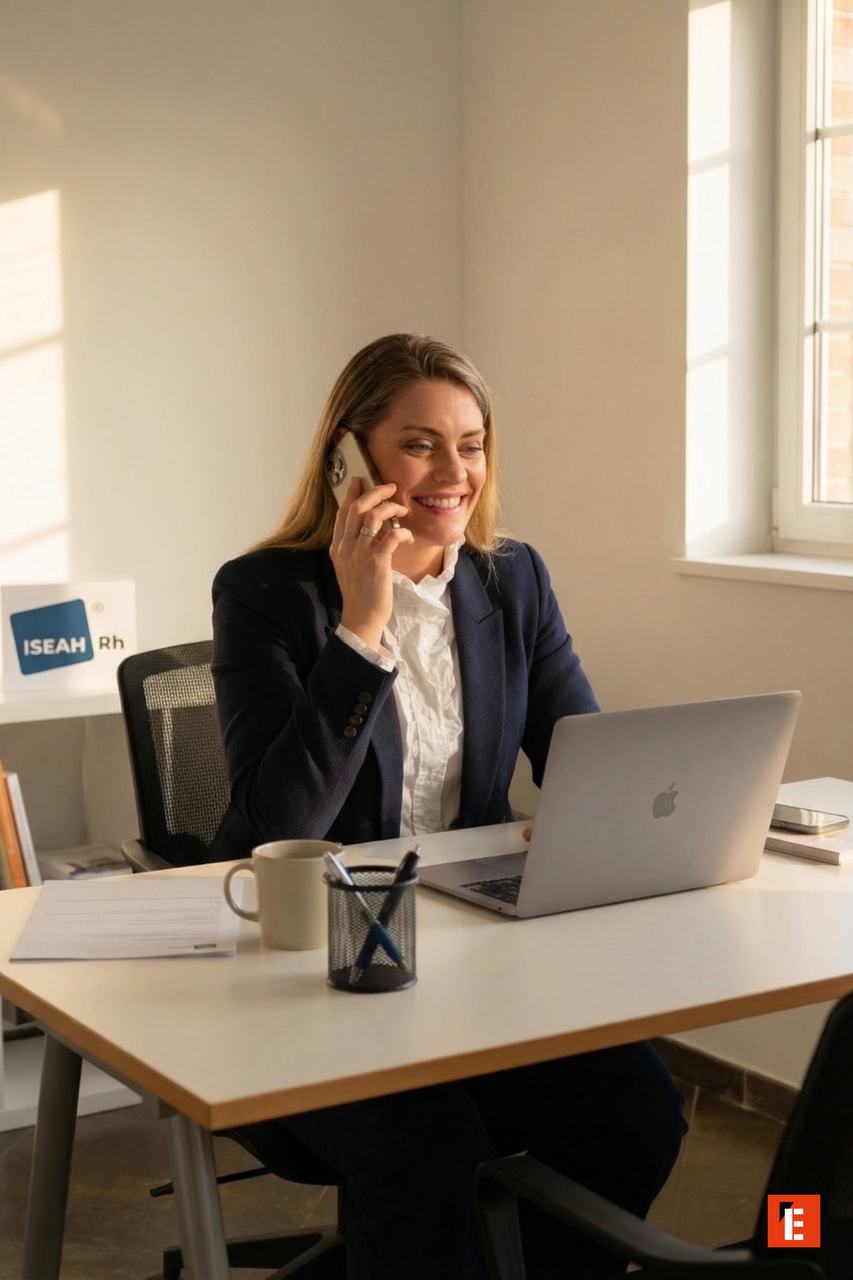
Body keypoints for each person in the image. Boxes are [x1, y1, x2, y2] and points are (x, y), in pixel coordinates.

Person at [211, 334, 686, 1279]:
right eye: (419, 443)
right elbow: (278, 825)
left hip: (477, 963)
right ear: (350, 457)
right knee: (428, 1147)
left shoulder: (511, 578)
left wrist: (600, 813)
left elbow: (579, 754)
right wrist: (362, 625)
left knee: (639, 1110)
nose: (453, 472)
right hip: (323, 980)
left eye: (470, 444)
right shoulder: (267, 593)